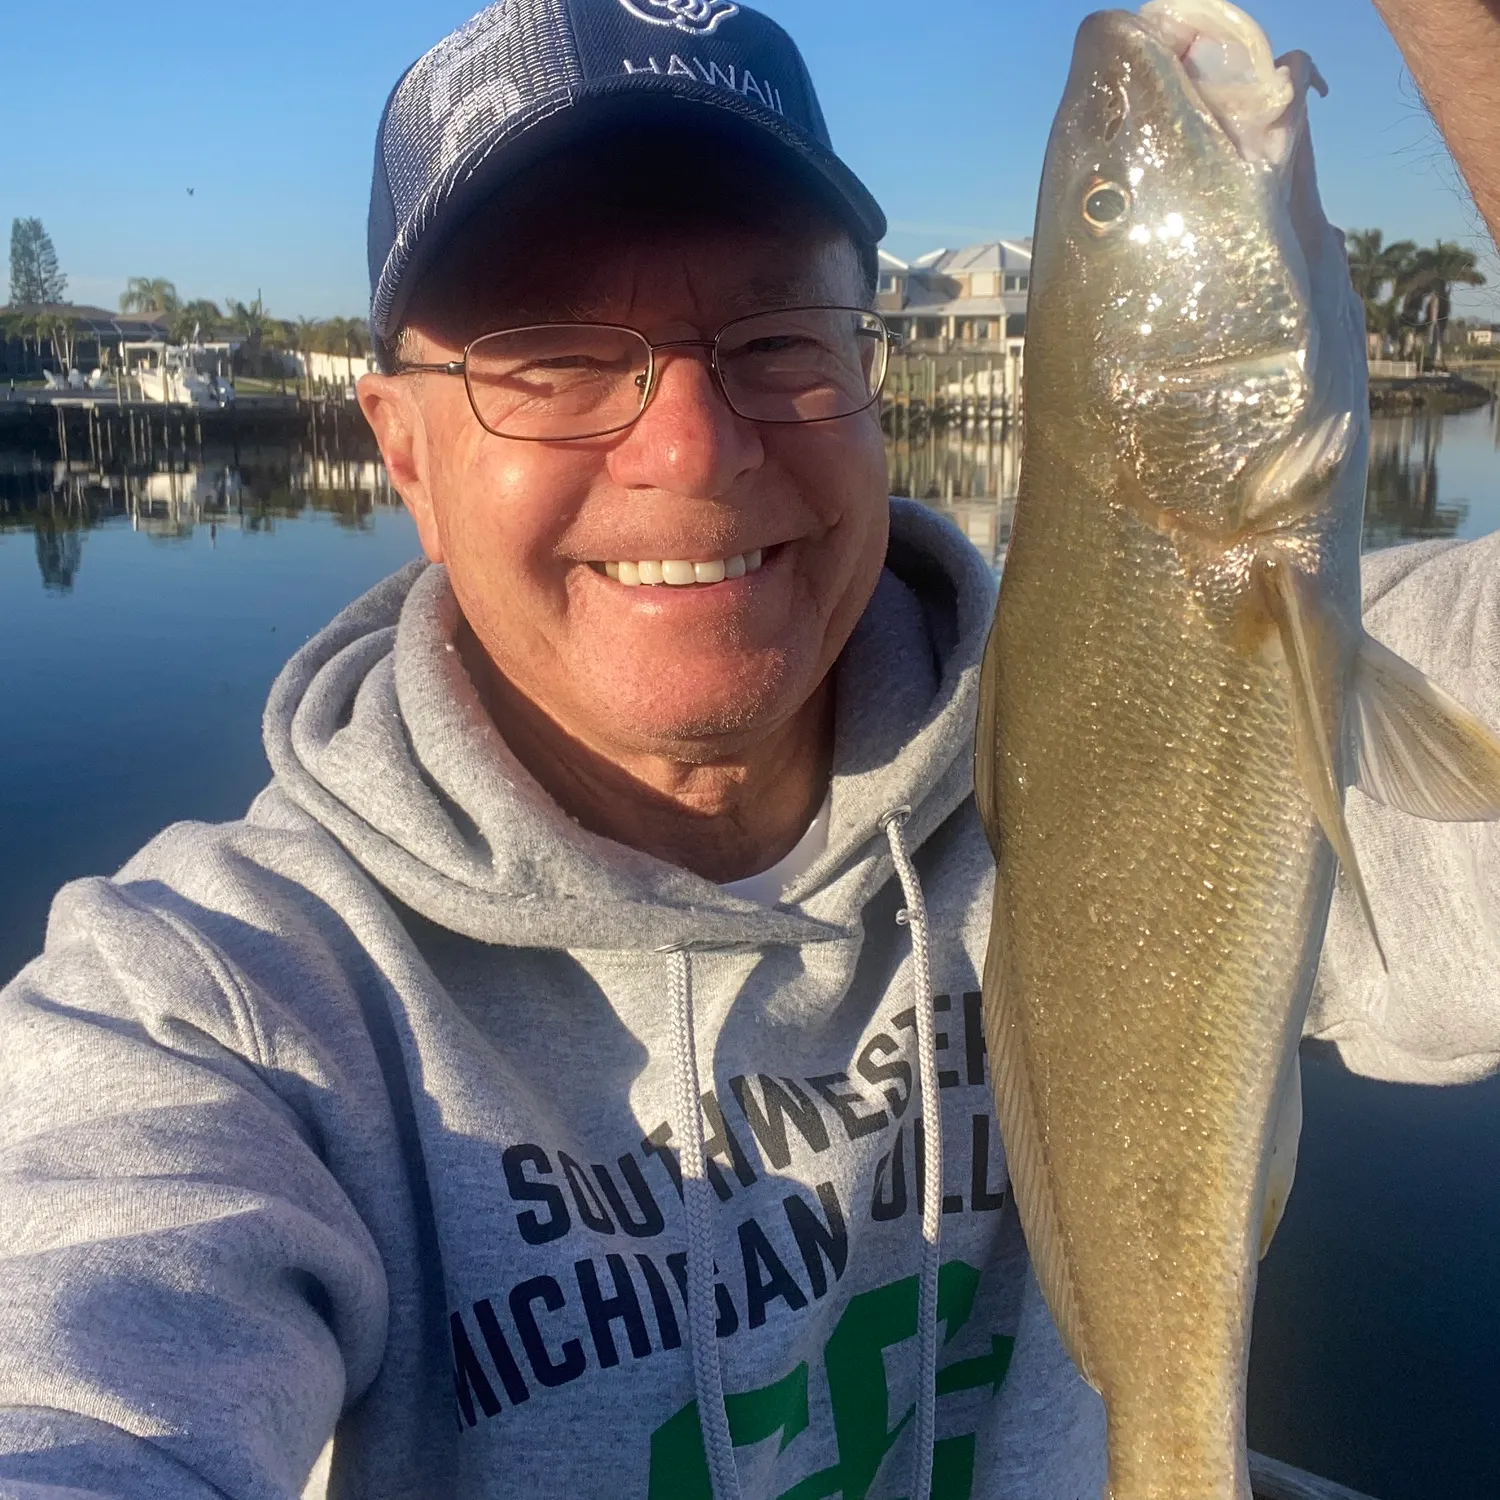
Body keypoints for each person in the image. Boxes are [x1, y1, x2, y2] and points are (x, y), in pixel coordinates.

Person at [0, 3, 1495, 1499]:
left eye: (778, 337)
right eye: (553, 356)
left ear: (873, 378)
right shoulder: (209, 1008)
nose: (694, 447)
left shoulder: (1197, 702)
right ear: (403, 453)